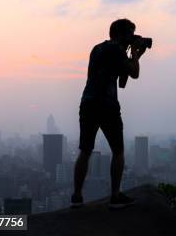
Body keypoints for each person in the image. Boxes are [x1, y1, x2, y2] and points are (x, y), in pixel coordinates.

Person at [71, 18, 147, 209]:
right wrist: (136, 54)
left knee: (85, 151)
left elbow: (122, 80)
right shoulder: (116, 49)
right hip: (107, 104)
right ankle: (115, 196)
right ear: (121, 35)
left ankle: (77, 197)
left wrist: (129, 53)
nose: (132, 39)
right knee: (118, 151)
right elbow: (134, 73)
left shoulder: (97, 48)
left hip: (88, 102)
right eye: (130, 34)